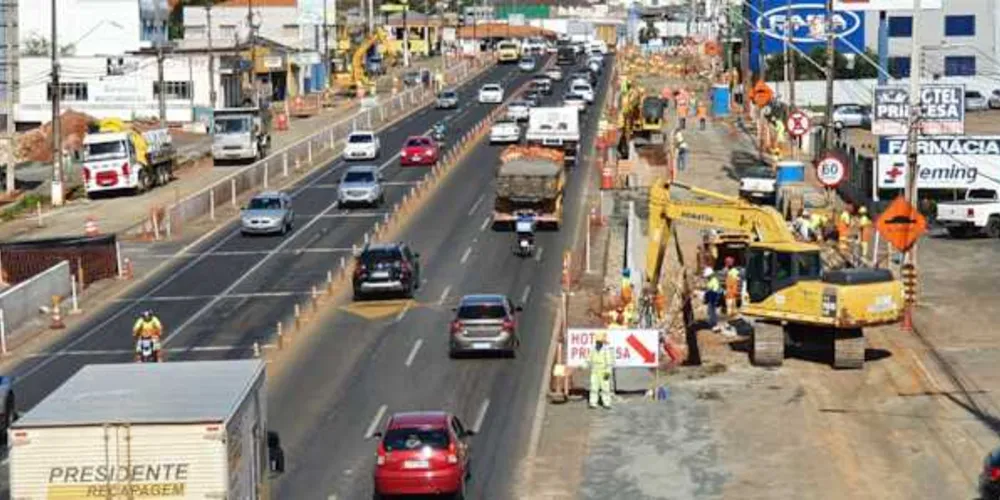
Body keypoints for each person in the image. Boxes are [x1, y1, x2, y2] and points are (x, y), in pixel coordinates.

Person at [586, 332, 615, 409]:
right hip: (595, 370)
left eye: (599, 341)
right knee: (593, 387)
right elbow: (588, 359)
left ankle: (606, 403)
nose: (598, 343)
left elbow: (609, 362)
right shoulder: (592, 349)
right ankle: (593, 402)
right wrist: (585, 365)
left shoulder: (606, 350)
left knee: (605, 387)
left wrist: (608, 372)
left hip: (604, 370)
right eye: (597, 341)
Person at [703, 267, 722, 332]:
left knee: (713, 312)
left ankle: (715, 325)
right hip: (710, 299)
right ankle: (711, 323)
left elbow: (715, 291)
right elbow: (708, 289)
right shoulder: (710, 281)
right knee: (710, 311)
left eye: (707, 276)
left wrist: (709, 294)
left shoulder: (714, 281)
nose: (707, 278)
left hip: (713, 298)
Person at [724, 257, 741, 321]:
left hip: (730, 294)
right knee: (733, 310)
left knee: (730, 310)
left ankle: (731, 321)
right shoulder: (735, 272)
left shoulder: (731, 273)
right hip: (733, 294)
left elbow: (731, 284)